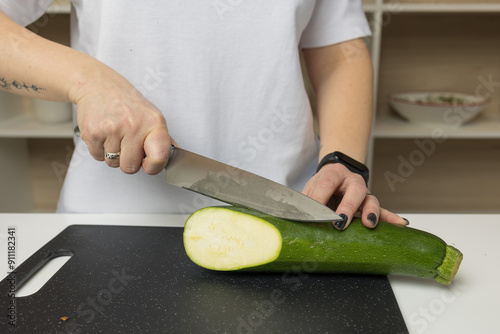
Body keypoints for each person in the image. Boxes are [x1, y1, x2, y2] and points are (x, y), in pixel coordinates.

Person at [0, 0, 407, 230]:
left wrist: (342, 160)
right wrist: (88, 82)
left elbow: (340, 53)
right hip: (110, 225)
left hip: (292, 215)